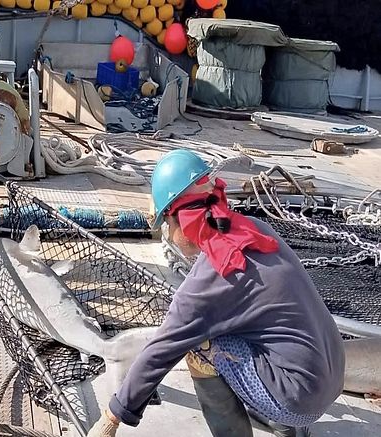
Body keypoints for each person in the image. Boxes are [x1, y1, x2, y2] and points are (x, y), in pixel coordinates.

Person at [87, 149, 345, 437]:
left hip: (300, 400)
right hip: (331, 378)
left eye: (168, 225)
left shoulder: (212, 278)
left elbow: (161, 350)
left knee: (199, 346)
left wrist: (112, 417)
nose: (169, 236)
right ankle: (289, 426)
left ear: (182, 220)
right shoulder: (255, 228)